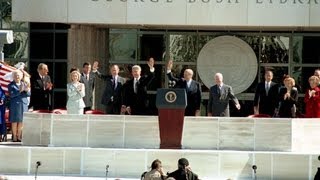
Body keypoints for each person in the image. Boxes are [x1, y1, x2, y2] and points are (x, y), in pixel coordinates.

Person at [8, 70, 31, 142]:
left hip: (23, 104)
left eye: (19, 75)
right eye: (16, 75)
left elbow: (28, 95)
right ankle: (14, 136)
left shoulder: (24, 83)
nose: (17, 76)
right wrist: (19, 91)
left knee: (21, 121)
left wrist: (27, 91)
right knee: (14, 121)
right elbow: (11, 95)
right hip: (15, 105)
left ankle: (19, 136)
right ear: (13, 76)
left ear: (21, 76)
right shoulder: (11, 85)